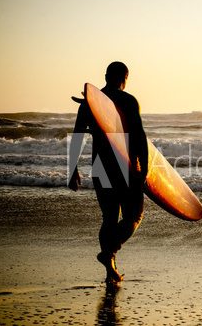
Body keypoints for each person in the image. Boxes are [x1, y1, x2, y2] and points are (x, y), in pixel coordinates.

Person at [68, 61, 148, 283]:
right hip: (126, 166)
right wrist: (145, 169)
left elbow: (77, 137)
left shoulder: (89, 104)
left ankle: (109, 268)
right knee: (134, 215)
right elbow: (139, 137)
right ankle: (109, 252)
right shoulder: (128, 101)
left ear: (105, 76)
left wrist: (73, 170)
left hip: (100, 165)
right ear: (125, 77)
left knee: (109, 217)